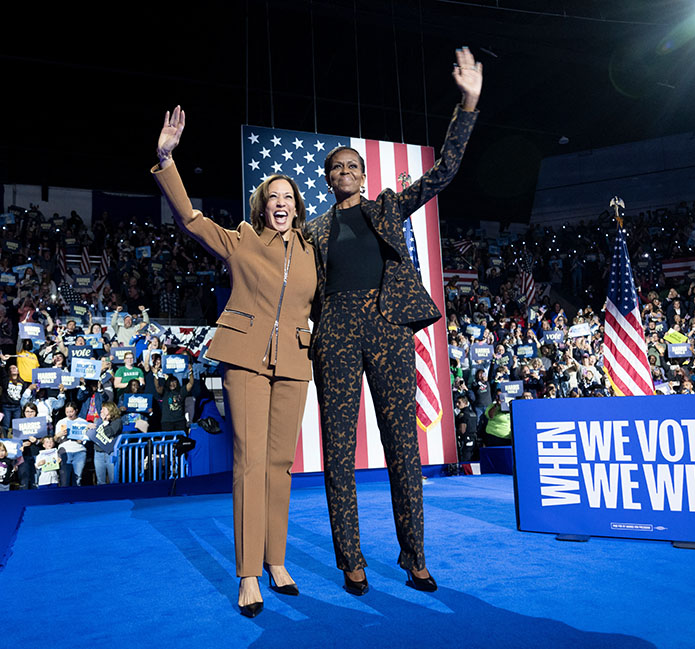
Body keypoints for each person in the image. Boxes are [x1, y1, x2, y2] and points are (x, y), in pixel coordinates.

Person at [307, 46, 482, 594]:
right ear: (328, 178)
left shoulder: (385, 207)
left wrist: (468, 103)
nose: (346, 172)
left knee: (403, 446)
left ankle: (415, 558)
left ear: (363, 174)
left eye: (353, 166)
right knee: (338, 451)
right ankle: (351, 561)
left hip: (386, 329)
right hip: (334, 331)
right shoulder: (311, 231)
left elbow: (444, 172)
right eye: (337, 168)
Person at [152, 105, 317, 618]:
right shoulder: (242, 239)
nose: (281, 204)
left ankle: (277, 561)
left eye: (289, 197)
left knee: (279, 465)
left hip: (293, 360)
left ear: (299, 205)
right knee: (248, 462)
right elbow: (191, 220)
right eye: (273, 198)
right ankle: (248, 574)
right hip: (243, 357)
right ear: (262, 205)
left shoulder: (315, 251)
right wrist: (166, 159)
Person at [88, 402, 123, 485]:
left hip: (111, 453)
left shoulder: (117, 421)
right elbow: (93, 434)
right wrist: (88, 428)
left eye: (103, 409)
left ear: (110, 410)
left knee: (114, 480)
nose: (101, 411)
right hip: (98, 453)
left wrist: (105, 422)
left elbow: (109, 432)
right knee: (100, 481)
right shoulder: (98, 420)